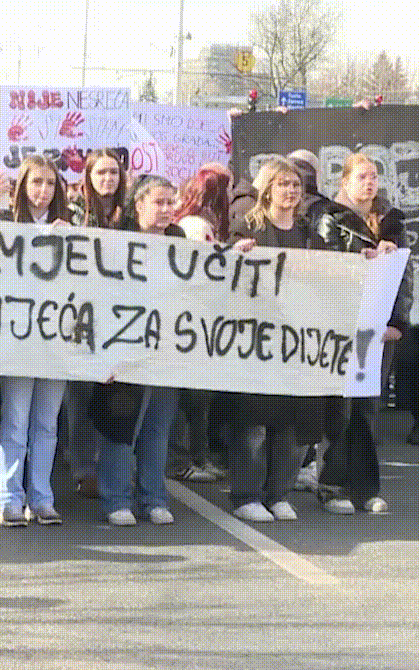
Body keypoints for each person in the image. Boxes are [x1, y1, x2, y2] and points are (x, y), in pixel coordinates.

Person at [226, 157, 326, 522]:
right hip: (256, 339)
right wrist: (235, 256)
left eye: (296, 185)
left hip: (295, 340)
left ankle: (278, 492)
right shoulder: (247, 227)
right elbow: (227, 278)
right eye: (283, 184)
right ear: (267, 189)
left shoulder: (308, 232)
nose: (291, 191)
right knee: (254, 422)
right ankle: (247, 495)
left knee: (292, 422)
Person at [312, 152, 404, 514]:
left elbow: (402, 277)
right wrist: (359, 260)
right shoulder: (331, 218)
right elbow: (324, 266)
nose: (370, 184)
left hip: (377, 328)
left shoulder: (391, 222)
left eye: (374, 177)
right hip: (341, 324)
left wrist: (398, 322)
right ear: (345, 182)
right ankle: (332, 485)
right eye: (362, 177)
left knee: (366, 407)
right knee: (340, 409)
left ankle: (365, 487)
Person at [93, 174, 182, 526]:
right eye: (158, 202)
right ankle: (117, 499)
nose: (165, 209)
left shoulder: (180, 241)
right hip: (126, 350)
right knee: (122, 426)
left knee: (157, 428)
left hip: (167, 350)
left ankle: (153, 498)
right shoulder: (119, 242)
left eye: (169, 203)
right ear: (139, 204)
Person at [0, 155, 70, 526]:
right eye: (36, 182)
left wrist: (67, 240)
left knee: (46, 423)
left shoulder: (71, 227)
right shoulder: (6, 225)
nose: (43, 190)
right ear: (23, 185)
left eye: (50, 184)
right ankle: (9, 497)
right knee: (16, 421)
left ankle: (41, 498)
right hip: (18, 340)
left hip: (56, 341)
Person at [65, 149, 129, 499]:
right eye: (101, 173)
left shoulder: (130, 213)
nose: (108, 179)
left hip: (119, 317)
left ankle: (112, 464)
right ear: (88, 176)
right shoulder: (75, 211)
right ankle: (83, 467)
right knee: (81, 397)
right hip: (81, 316)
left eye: (113, 173)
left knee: (115, 393)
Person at [168, 166, 233, 484]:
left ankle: (197, 455)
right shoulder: (195, 226)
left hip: (203, 318)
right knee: (191, 397)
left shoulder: (197, 222)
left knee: (198, 397)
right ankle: (183, 458)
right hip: (193, 318)